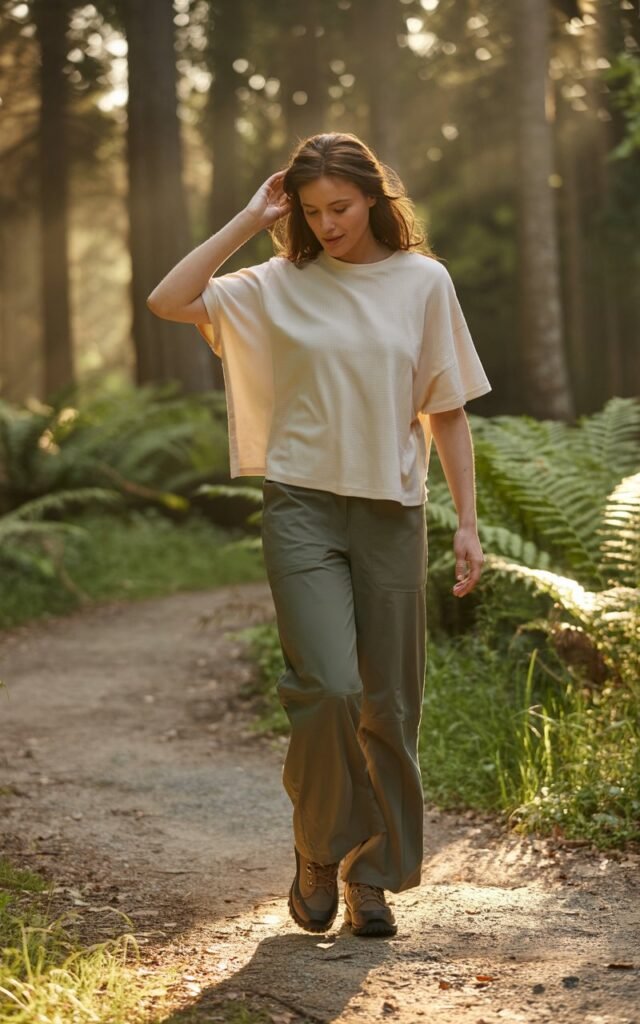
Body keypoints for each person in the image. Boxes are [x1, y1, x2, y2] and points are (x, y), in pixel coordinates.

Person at [147, 131, 491, 939]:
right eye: (311, 211)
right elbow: (169, 298)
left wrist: (467, 522)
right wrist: (247, 217)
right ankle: (318, 847)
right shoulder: (277, 283)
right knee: (327, 689)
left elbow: (445, 409)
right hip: (300, 503)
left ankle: (372, 874)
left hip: (391, 512)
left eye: (340, 206)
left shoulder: (424, 283)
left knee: (390, 704)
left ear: (374, 196)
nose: (328, 224)